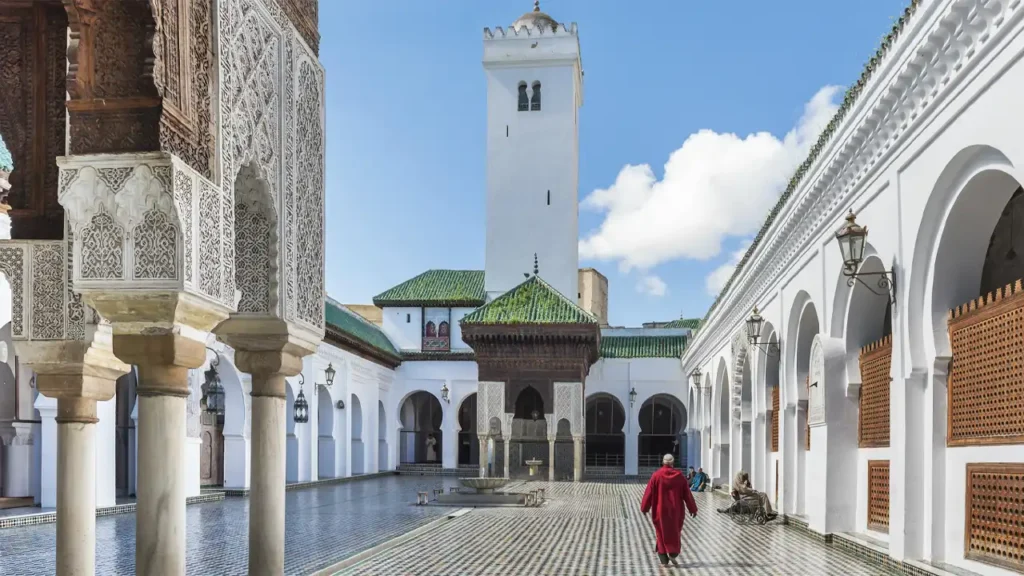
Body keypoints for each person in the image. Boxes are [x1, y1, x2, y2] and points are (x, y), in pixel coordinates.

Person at [641, 454, 698, 567]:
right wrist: (692, 509)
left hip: (659, 510)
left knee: (660, 533)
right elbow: (687, 494)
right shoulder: (679, 476)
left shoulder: (656, 476)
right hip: (676, 512)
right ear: (672, 463)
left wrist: (644, 508)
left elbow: (649, 493)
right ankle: (673, 553)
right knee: (675, 532)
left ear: (663, 462)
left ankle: (663, 558)